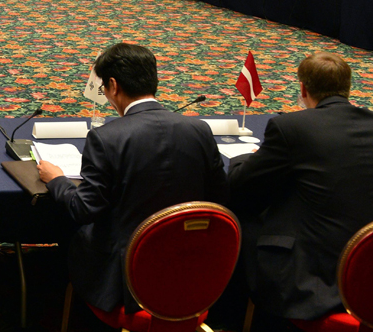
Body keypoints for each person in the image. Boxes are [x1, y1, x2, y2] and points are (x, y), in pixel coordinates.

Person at [37, 43, 227, 313]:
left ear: (113, 85)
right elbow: (219, 199)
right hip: (191, 267)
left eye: (103, 89)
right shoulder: (200, 130)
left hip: (128, 280)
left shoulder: (106, 138)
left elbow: (83, 209)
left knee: (69, 231)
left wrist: (57, 180)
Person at [227, 53, 373, 322]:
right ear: (348, 87)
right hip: (366, 263)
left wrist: (242, 157)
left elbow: (241, 187)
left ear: (303, 89)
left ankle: (234, 318)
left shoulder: (291, 127)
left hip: (315, 278)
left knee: (239, 218)